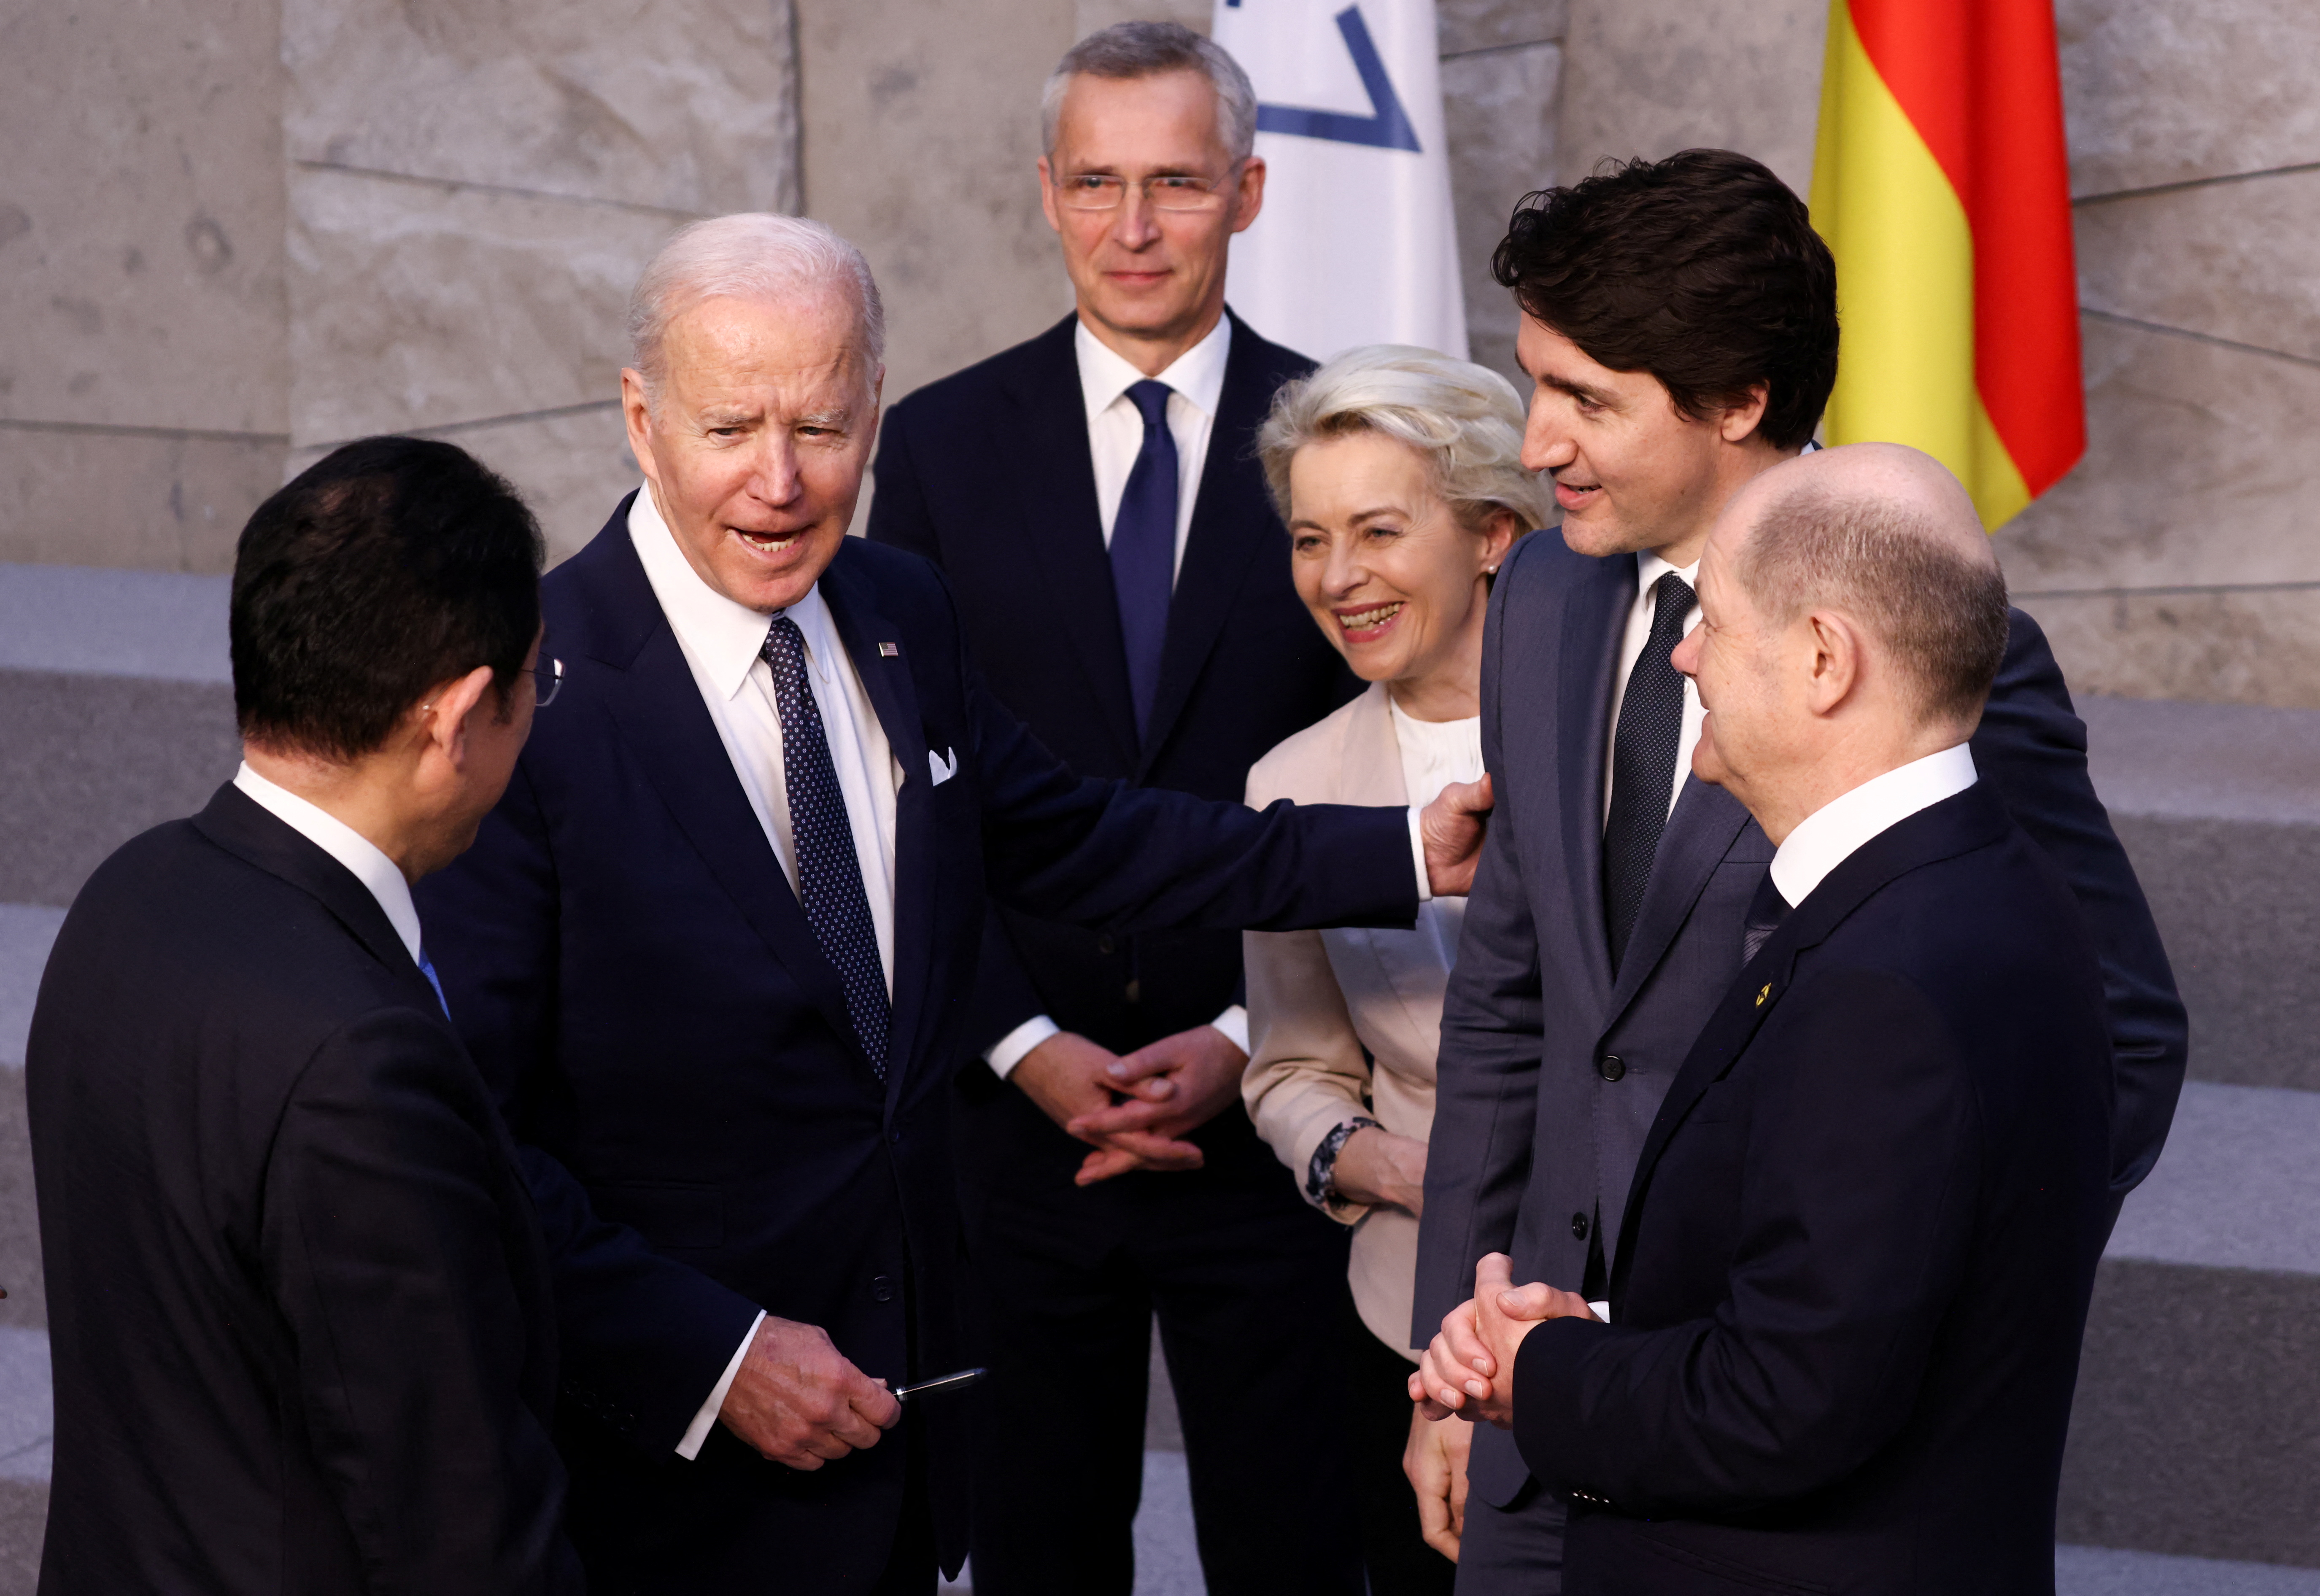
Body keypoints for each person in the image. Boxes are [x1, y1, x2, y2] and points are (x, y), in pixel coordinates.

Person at [413, 211, 1489, 1596]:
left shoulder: (894, 606)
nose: (783, 482)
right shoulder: (534, 701)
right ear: (640, 418)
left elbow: (1078, 838)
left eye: (825, 425)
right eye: (731, 427)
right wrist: (716, 1358)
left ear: (874, 408)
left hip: (908, 1421)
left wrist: (1401, 847)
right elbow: (480, 1140)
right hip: (666, 1472)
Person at [1406, 149, 2188, 1590]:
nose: (1534, 442)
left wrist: (1926, 1321)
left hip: (1783, 1466)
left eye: (1586, 398)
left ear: (1739, 404)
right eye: (1533, 383)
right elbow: (1513, 1002)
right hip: (1530, 1399)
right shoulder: (1545, 597)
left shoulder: (1940, 637)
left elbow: (2111, 1028)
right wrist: (1447, 1368)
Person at [866, 23, 1376, 1591]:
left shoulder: (1346, 442)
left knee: (1299, 1552)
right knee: (1036, 1556)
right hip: (1020, 1122)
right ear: (1045, 193)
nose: (1134, 226)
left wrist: (1244, 1035)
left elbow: (1384, 747)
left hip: (1279, 1110)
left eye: (1175, 182)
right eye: (1097, 182)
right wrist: (1022, 1047)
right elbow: (905, 777)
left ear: (1250, 190)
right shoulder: (944, 443)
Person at [27, 437, 580, 1593]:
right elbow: (453, 1529)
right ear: (458, 717)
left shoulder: (131, 890)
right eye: (536, 682)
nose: (536, 716)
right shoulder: (360, 1065)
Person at [1235, 346, 1548, 1593]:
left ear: (1491, 534)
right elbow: (1290, 1067)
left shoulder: (1636, 738)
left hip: (1618, 1313)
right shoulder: (1288, 788)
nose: (1339, 577)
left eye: (1377, 529)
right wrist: (1391, 1167)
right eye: (1312, 539)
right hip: (1403, 1320)